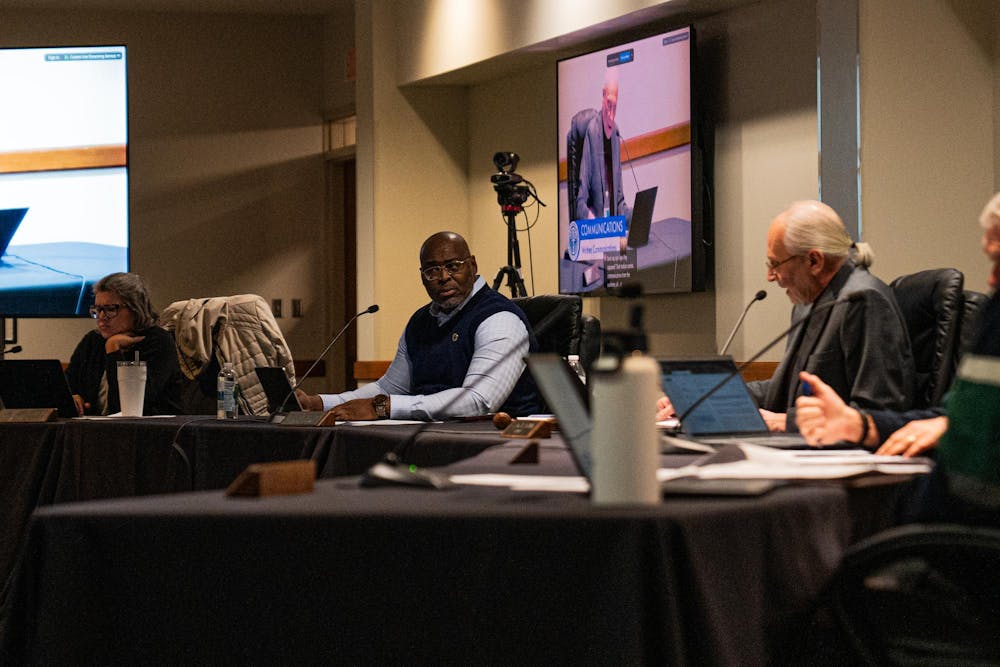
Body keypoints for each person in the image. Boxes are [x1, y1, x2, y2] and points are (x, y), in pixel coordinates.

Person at [657, 200, 915, 430]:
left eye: (775, 264)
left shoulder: (863, 300)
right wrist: (705, 398)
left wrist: (786, 422)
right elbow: (784, 387)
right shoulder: (810, 302)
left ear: (814, 261)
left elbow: (880, 414)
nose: (770, 277)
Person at [796, 190, 1000, 459]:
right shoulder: (994, 323)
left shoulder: (862, 297)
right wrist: (859, 424)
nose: (991, 280)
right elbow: (948, 417)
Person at [297, 231, 544, 421]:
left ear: (473, 265)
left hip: (498, 442)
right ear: (422, 276)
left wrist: (384, 407)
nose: (443, 277)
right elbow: (389, 387)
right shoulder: (420, 321)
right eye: (432, 270)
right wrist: (321, 403)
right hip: (430, 434)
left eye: (453, 266)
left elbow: (478, 400)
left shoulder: (499, 319)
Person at [66, 272, 183, 416]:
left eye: (110, 309)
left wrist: (113, 350)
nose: (102, 317)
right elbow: (68, 386)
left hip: (151, 430)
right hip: (97, 429)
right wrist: (72, 398)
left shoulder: (158, 341)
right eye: (98, 309)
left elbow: (126, 408)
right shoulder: (92, 340)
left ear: (135, 309)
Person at [574, 67, 630, 222]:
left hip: (614, 229)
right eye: (609, 105)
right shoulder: (592, 132)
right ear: (603, 95)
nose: (611, 114)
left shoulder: (616, 133)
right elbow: (580, 203)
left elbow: (619, 201)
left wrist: (635, 215)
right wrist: (595, 224)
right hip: (597, 230)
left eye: (615, 107)